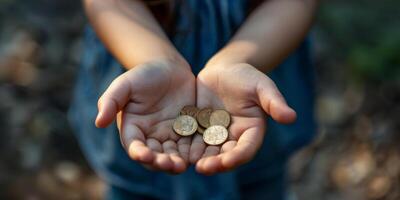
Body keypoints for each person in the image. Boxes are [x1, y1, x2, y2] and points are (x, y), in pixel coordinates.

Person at [68, 0, 318, 199]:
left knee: (260, 186)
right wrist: (156, 59)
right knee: (134, 189)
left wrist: (239, 61)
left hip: (257, 93)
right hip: (143, 90)